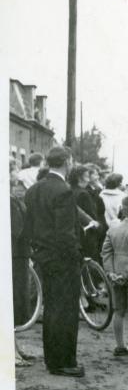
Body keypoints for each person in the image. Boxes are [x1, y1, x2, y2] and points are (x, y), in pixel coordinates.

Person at [24, 146, 85, 377]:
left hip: (43, 256)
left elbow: (28, 226)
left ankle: (53, 360)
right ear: (67, 162)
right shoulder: (63, 191)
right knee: (67, 310)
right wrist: (76, 255)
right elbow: (65, 233)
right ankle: (64, 362)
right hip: (63, 259)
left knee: (51, 309)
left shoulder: (34, 190)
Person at [101, 194, 128, 360]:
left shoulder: (113, 229)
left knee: (119, 310)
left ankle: (120, 345)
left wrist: (111, 272)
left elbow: (106, 252)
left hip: (116, 272)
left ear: (122, 211)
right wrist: (126, 274)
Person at [10, 157, 34, 367]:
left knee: (16, 302)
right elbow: (17, 230)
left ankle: (15, 347)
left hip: (20, 254)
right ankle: (11, 353)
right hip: (13, 255)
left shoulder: (13, 198)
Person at [68, 165, 103, 263]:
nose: (88, 180)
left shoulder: (69, 191)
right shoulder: (84, 194)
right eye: (87, 177)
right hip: (87, 235)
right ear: (80, 178)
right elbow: (92, 215)